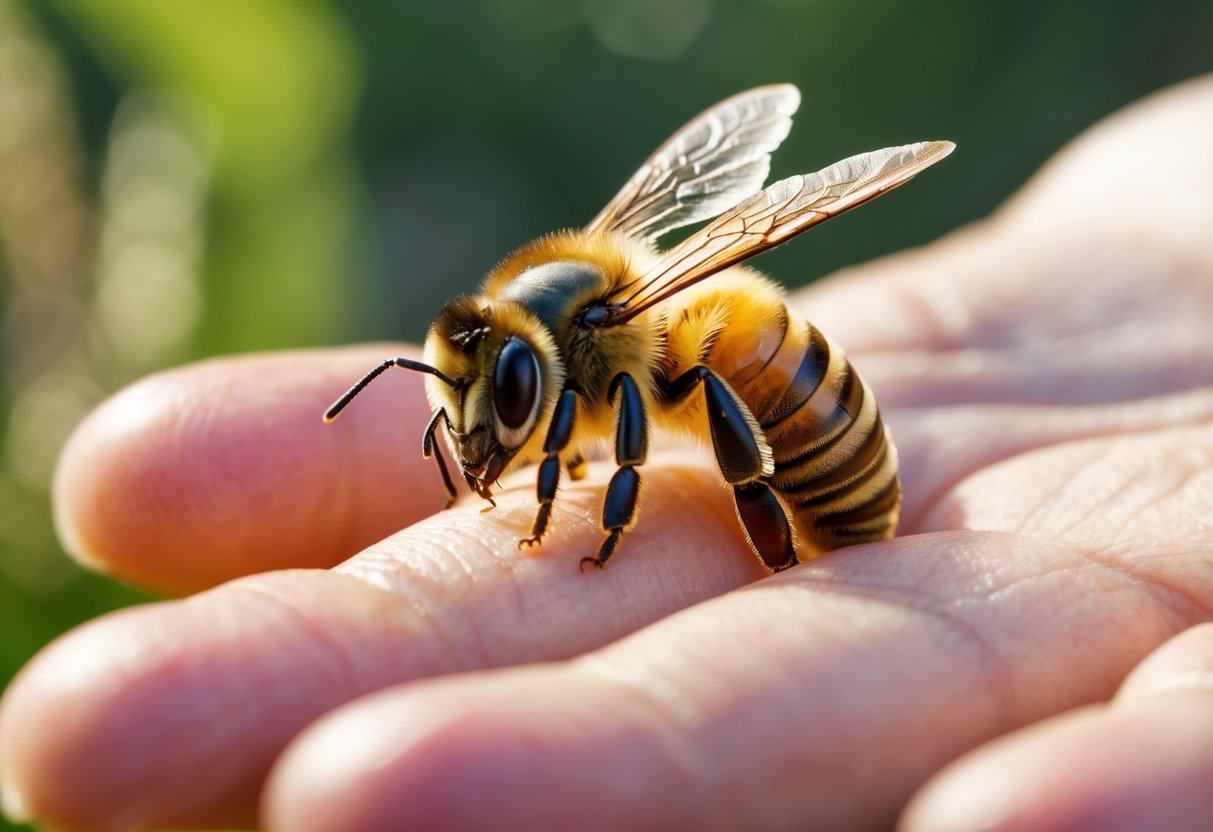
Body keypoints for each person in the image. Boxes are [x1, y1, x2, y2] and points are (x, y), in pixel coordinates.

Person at [3, 75, 1213, 832]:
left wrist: (611, 513)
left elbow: (629, 401)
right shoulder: (542, 343)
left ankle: (792, 538)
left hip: (791, 405)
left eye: (499, 402)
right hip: (702, 369)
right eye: (473, 408)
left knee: (705, 363)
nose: (480, 427)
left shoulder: (603, 341)